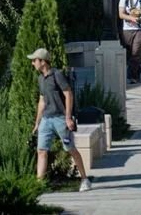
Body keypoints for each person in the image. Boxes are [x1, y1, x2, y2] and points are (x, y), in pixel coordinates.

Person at [27, 48, 92, 192]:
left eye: (34, 60)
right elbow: (42, 101)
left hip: (61, 119)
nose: (32, 63)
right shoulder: (40, 79)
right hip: (46, 119)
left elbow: (68, 94)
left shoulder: (57, 75)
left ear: (43, 61)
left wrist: (68, 118)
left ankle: (84, 180)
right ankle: (40, 185)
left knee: (70, 149)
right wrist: (37, 122)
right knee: (41, 151)